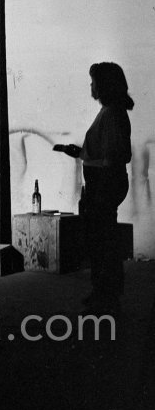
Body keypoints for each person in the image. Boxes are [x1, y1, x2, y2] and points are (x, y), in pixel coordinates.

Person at [54, 62, 133, 315]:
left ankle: (106, 297)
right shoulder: (111, 112)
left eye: (94, 81)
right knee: (103, 242)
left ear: (105, 85)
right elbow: (105, 154)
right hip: (104, 185)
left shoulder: (111, 114)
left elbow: (115, 157)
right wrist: (79, 153)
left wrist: (98, 192)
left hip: (104, 186)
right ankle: (104, 294)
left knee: (103, 243)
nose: (91, 86)